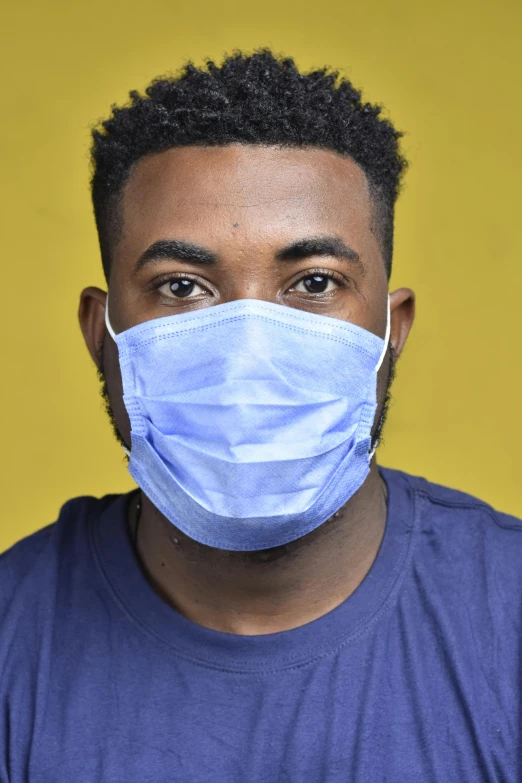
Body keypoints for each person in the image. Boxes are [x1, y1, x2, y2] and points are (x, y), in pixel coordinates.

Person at [1, 48, 520, 782]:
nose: (248, 350)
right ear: (101, 330)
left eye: (314, 282)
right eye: (182, 287)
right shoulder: (12, 639)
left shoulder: (508, 617)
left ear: (390, 331)